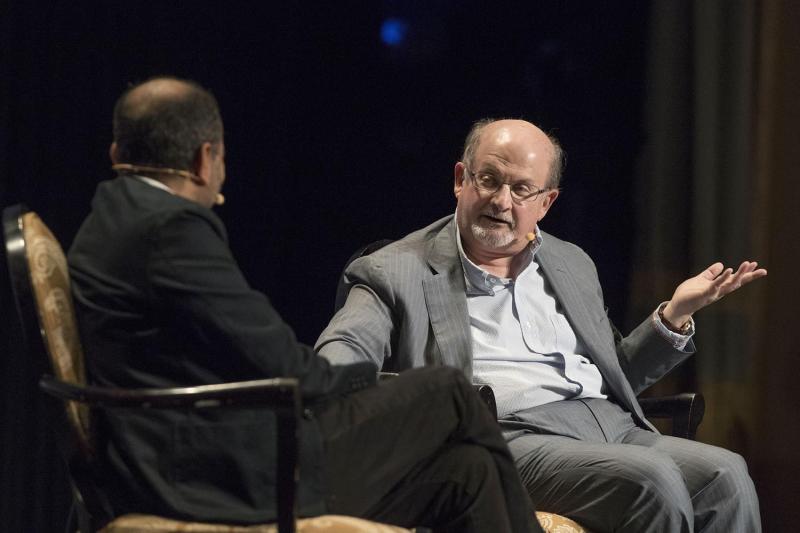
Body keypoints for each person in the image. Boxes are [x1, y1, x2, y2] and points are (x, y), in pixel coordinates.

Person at [68, 78, 542, 533]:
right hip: (218, 475)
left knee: (469, 470)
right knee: (449, 390)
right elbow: (282, 364)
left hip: (177, 458)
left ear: (117, 153)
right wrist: (368, 383)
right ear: (204, 158)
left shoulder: (108, 219)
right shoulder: (171, 231)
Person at [316, 118, 767, 532]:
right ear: (461, 180)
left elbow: (616, 376)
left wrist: (674, 315)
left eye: (521, 189)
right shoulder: (393, 270)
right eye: (489, 180)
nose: (500, 201)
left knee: (726, 476)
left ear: (546, 202)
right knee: (653, 481)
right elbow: (343, 353)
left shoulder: (571, 262)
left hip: (609, 426)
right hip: (507, 437)